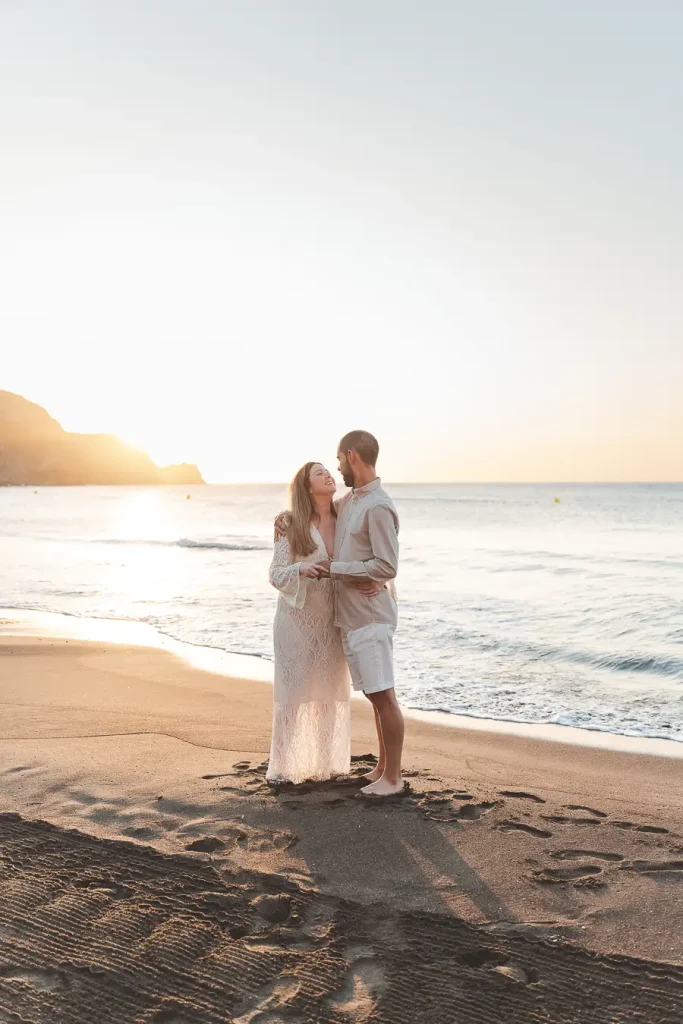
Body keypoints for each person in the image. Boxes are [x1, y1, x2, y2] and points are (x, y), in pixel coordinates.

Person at [276, 431, 404, 797]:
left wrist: (340, 569)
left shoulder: (376, 504)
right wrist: (285, 518)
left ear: (351, 457)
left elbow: (386, 563)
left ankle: (393, 778)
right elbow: (312, 513)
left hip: (370, 614)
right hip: (352, 615)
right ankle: (382, 768)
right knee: (375, 695)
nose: (335, 469)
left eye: (337, 462)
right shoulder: (351, 502)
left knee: (383, 695)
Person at [267, 461, 382, 784]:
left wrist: (379, 579)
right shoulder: (291, 523)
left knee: (330, 694)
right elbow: (275, 574)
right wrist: (300, 570)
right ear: (306, 487)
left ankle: (327, 766)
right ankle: (283, 767)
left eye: (328, 471)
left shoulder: (346, 514)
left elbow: (371, 547)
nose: (329, 475)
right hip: (296, 620)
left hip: (335, 618)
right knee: (293, 693)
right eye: (319, 473)